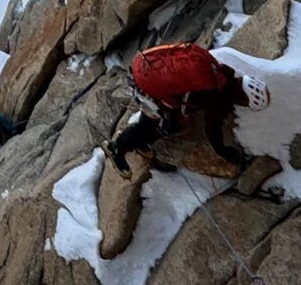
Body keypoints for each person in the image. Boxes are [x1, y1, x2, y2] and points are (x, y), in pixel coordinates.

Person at [106, 41, 263, 182]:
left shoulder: (218, 71)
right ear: (242, 99)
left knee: (157, 119)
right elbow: (212, 129)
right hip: (150, 87)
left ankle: (140, 142)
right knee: (164, 127)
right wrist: (223, 151)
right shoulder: (218, 97)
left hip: (146, 65)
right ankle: (117, 148)